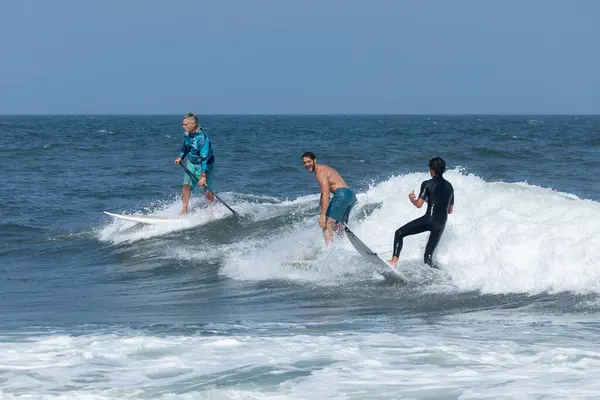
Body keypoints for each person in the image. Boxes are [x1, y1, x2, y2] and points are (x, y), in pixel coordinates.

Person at [388, 157, 454, 269]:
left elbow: (419, 204)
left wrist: (411, 198)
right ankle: (436, 276)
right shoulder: (449, 187)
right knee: (428, 258)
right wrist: (431, 200)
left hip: (429, 220)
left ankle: (394, 261)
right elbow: (450, 210)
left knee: (399, 233)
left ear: (433, 169)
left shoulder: (427, 183)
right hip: (441, 223)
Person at [302, 151, 357, 246]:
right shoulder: (324, 169)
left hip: (342, 194)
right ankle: (346, 245)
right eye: (305, 162)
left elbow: (325, 193)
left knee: (326, 224)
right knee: (338, 225)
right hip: (351, 195)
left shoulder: (320, 172)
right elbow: (324, 192)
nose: (307, 164)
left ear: (315, 160)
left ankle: (329, 250)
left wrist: (323, 215)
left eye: (309, 161)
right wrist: (321, 207)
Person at [174, 113, 215, 215]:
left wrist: (203, 175)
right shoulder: (187, 134)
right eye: (183, 124)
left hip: (205, 165)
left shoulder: (202, 138)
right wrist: (181, 156)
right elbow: (186, 147)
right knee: (186, 186)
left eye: (186, 124)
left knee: (206, 190)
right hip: (191, 163)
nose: (183, 126)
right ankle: (184, 211)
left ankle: (213, 208)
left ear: (193, 124)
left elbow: (204, 157)